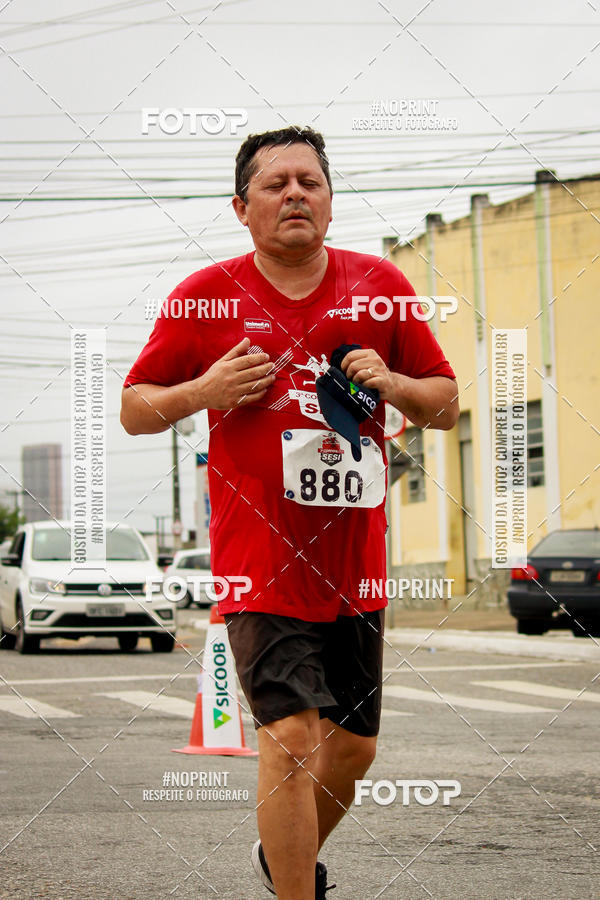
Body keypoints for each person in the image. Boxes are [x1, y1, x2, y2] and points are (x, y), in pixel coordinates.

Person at [121, 126, 458, 899]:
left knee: (353, 752)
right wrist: (201, 393)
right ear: (243, 207)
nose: (296, 194)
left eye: (310, 181)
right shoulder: (205, 297)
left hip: (355, 570)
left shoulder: (380, 287)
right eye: (276, 185)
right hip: (260, 565)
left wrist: (396, 384)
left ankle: (284, 861)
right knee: (293, 739)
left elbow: (444, 403)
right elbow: (135, 410)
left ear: (332, 202)